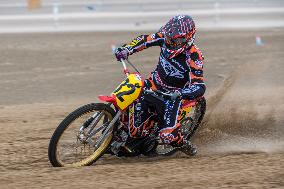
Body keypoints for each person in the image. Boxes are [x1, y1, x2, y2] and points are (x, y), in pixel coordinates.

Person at [115, 15, 205, 155]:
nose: (168, 41)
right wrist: (127, 49)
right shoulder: (165, 37)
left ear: (187, 39)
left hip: (172, 96)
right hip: (154, 84)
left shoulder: (194, 56)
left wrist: (180, 94)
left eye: (173, 40)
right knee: (124, 100)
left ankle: (185, 146)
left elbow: (200, 86)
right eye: (168, 37)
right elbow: (145, 39)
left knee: (167, 135)